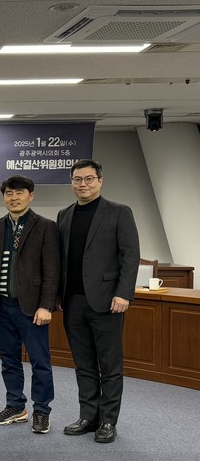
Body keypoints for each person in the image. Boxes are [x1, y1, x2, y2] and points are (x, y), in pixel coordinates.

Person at [57, 159, 139, 443]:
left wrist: (124, 293)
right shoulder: (64, 215)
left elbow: (130, 255)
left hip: (107, 301)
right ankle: (88, 416)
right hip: (73, 302)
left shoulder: (119, 212)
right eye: (77, 179)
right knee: (83, 364)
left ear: (100, 181)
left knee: (110, 365)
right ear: (72, 182)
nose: (83, 184)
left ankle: (108, 421)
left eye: (89, 179)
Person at [0, 175, 60, 434]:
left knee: (40, 361)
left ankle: (42, 410)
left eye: (19, 193)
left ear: (30, 196)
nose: (13, 198)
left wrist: (46, 305)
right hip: (2, 307)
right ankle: (15, 406)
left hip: (33, 309)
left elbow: (52, 270)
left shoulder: (46, 226)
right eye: (9, 193)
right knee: (9, 360)